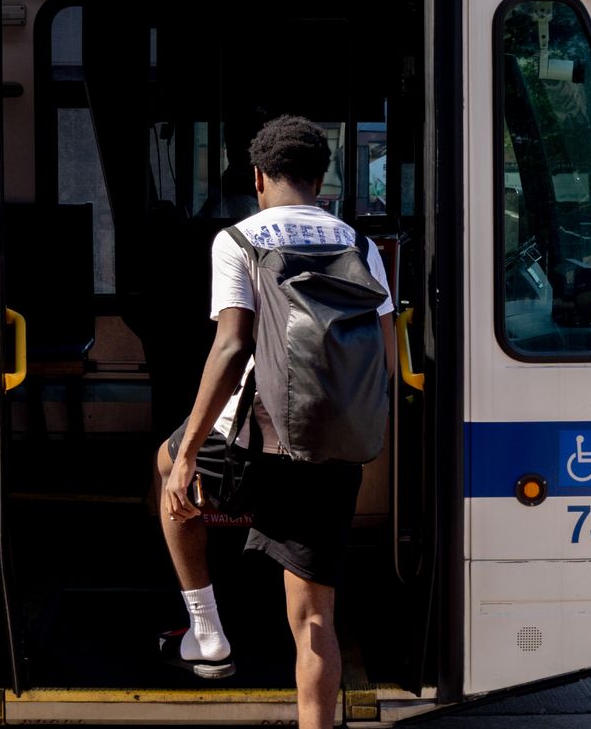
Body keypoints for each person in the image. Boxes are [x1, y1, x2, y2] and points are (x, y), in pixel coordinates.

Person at [150, 115, 395, 729]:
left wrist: (187, 456)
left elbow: (232, 350)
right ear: (323, 178)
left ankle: (206, 631)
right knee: (314, 618)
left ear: (258, 176)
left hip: (250, 440)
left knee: (165, 464)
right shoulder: (360, 247)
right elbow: (384, 358)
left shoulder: (239, 239)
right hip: (332, 445)